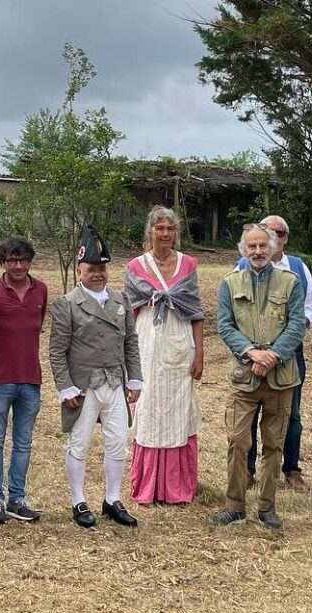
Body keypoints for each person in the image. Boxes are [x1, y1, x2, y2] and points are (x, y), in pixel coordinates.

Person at [212, 225, 307, 530]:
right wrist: (252, 353)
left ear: (273, 247)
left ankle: (267, 507)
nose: (257, 252)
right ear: (243, 250)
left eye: (263, 246)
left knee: (274, 445)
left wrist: (273, 356)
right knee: (237, 441)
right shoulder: (229, 283)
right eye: (251, 246)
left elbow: (297, 325)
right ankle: (234, 506)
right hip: (244, 378)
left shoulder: (290, 282)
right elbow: (225, 326)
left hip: (281, 377)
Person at [49, 225, 142, 528]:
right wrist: (65, 387)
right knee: (79, 443)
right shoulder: (67, 303)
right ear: (80, 270)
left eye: (102, 268)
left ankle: (112, 499)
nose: (98, 274)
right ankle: (78, 500)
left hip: (114, 382)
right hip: (83, 385)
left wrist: (135, 379)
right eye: (91, 269)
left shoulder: (120, 300)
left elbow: (130, 342)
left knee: (117, 442)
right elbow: (57, 351)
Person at [124, 206, 204, 504]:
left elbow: (195, 311)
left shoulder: (188, 264)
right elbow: (129, 314)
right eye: (160, 228)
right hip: (146, 342)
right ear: (150, 232)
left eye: (170, 228)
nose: (165, 233)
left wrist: (199, 354)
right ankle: (148, 485)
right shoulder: (135, 266)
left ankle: (177, 486)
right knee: (147, 407)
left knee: (178, 408)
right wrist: (128, 358)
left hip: (180, 342)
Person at [236, 215, 312, 490]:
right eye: (266, 232)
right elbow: (233, 316)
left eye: (278, 233)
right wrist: (255, 352)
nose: (272, 237)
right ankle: (247, 471)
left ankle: (291, 469)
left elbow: (309, 309)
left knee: (290, 413)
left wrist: (279, 348)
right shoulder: (241, 267)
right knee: (249, 414)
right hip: (250, 356)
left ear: (284, 238)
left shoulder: (297, 268)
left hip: (289, 354)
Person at [0, 237, 48, 523]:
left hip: (30, 378)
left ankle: (17, 499)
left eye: (23, 260)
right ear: (2, 262)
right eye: (12, 260)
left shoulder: (41, 289)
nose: (18, 266)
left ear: (30, 261)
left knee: (23, 442)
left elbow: (37, 326)